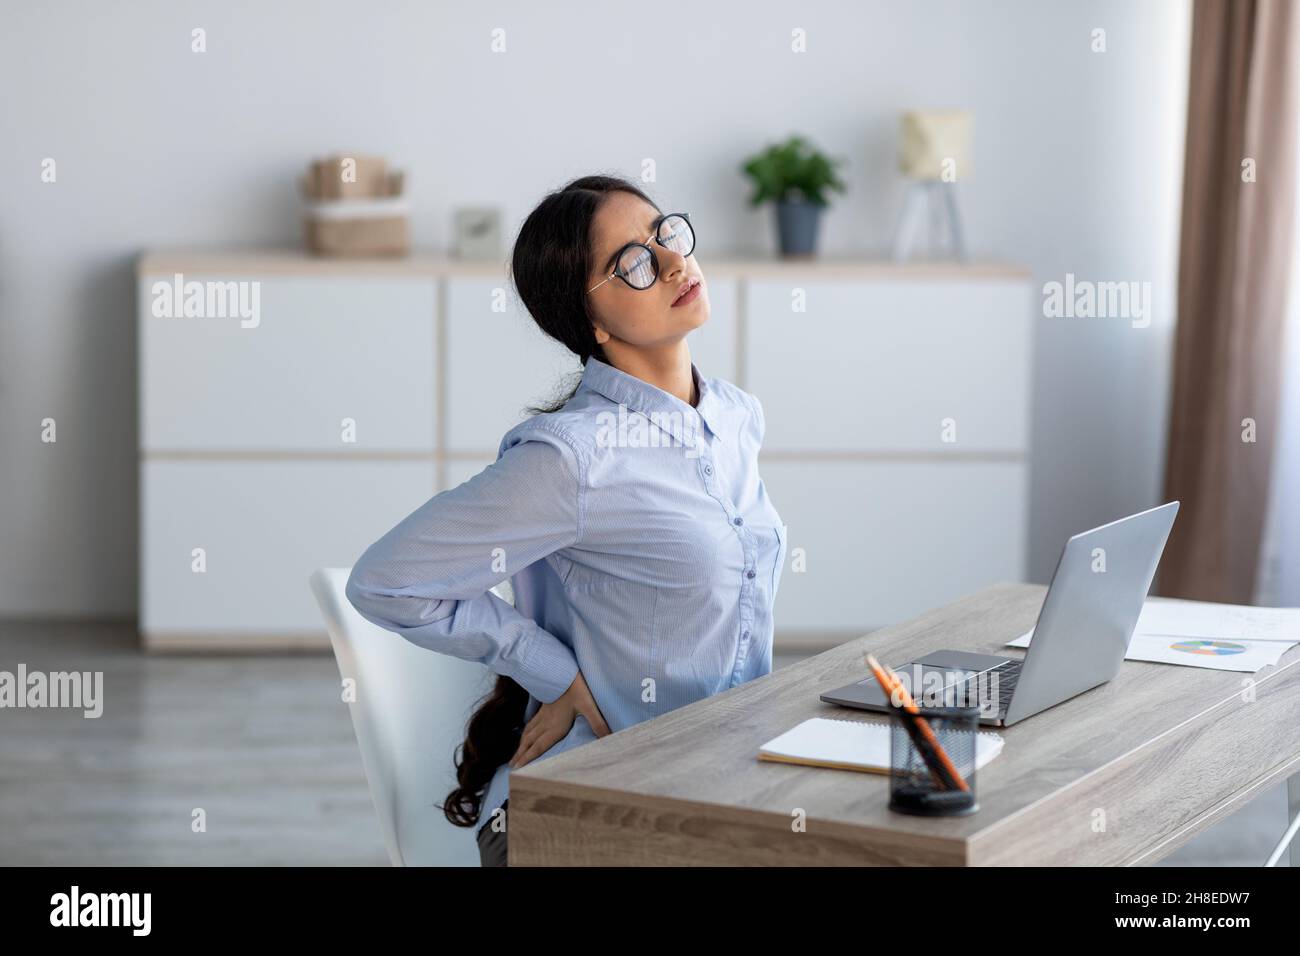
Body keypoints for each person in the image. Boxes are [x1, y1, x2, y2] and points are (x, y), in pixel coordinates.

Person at [346, 174, 787, 866]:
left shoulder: (734, 416)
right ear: (593, 325)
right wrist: (554, 672)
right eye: (632, 264)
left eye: (663, 233)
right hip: (575, 815)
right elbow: (384, 581)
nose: (672, 261)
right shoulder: (574, 457)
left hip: (713, 797)